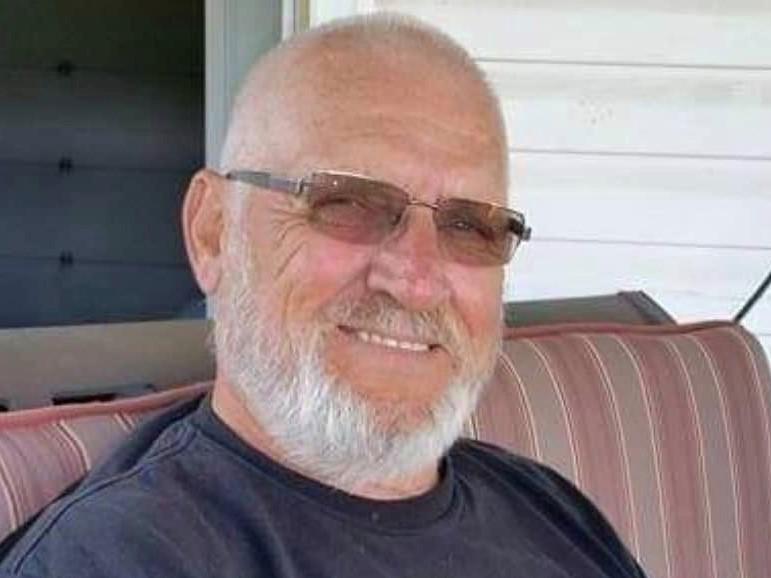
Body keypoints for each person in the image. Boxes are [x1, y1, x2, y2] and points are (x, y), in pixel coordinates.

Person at [1, 14, 647, 578]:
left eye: (469, 227)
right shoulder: (118, 556)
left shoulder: (553, 513)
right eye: (348, 203)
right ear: (213, 233)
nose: (417, 281)